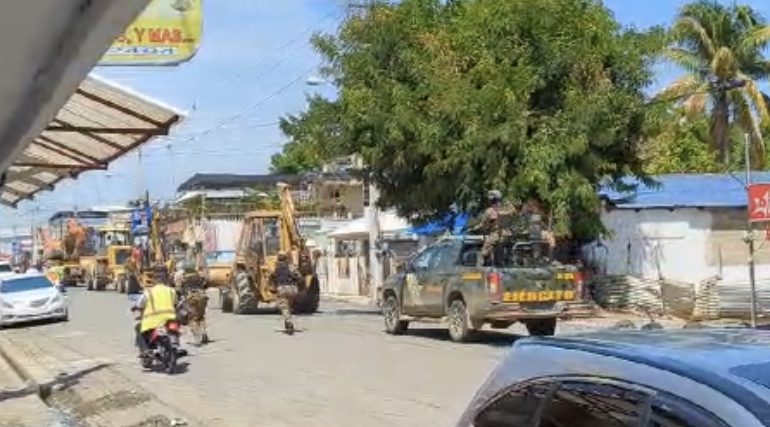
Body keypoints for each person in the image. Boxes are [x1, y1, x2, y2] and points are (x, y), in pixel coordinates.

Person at [131, 265, 179, 356]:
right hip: (170, 320)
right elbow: (175, 303)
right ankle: (175, 345)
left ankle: (145, 350)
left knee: (138, 328)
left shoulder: (148, 292)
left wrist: (136, 308)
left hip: (152, 322)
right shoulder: (171, 291)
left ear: (154, 281)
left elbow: (140, 304)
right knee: (175, 331)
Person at [470, 190, 516, 266]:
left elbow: (483, 224)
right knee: (498, 255)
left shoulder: (489, 211)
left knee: (484, 253)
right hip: (508, 235)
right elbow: (513, 215)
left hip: (496, 235)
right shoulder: (507, 209)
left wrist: (473, 229)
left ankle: (480, 270)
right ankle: (500, 266)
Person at [270, 253, 302, 335]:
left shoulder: (275, 268)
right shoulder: (291, 267)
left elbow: (272, 278)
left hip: (282, 289)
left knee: (284, 308)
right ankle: (287, 323)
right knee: (289, 307)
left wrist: (273, 289)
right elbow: (299, 277)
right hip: (293, 289)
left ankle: (289, 322)